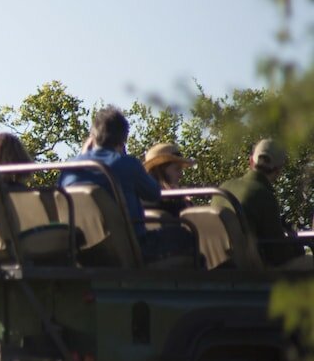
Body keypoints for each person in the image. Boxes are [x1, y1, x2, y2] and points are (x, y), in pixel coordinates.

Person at [59, 106, 193, 262]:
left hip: (84, 251)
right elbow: (154, 193)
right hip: (132, 246)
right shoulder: (127, 164)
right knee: (187, 235)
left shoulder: (70, 168)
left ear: (93, 136)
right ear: (123, 138)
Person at [218, 139, 305, 267]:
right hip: (251, 272)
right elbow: (277, 254)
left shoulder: (223, 189)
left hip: (217, 267)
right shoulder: (264, 195)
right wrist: (297, 247)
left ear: (251, 161)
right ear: (278, 171)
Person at [142, 142, 195, 217]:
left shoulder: (140, 199)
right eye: (177, 169)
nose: (181, 175)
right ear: (161, 169)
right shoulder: (174, 204)